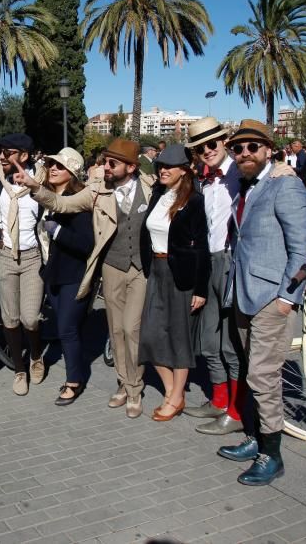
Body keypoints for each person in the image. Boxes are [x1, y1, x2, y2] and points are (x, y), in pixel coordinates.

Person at [16, 137, 154, 419]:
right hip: (112, 267)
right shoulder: (97, 191)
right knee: (116, 330)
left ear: (130, 167)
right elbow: (62, 203)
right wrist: (35, 188)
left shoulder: (151, 188)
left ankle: (134, 388)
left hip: (141, 269)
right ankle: (122, 383)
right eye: (104, 161)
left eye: (111, 163)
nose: (104, 166)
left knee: (132, 329)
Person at [216, 120, 306, 487]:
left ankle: (272, 455)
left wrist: (288, 297)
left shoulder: (285, 185)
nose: (244, 154)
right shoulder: (244, 183)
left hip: (273, 296)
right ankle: (256, 437)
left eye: (252, 147)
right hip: (243, 292)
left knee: (262, 374)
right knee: (250, 370)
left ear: (268, 150)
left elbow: (303, 248)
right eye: (238, 148)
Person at [138, 142, 210, 422]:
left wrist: (201, 288)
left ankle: (177, 395)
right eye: (160, 165)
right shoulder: (158, 193)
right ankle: (172, 391)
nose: (163, 170)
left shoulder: (194, 201)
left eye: (169, 166)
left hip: (181, 273)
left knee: (179, 336)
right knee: (151, 335)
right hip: (155, 269)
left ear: (184, 170)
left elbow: (202, 246)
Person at [184, 118, 245, 435]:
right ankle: (219, 399)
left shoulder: (240, 172)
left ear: (224, 141)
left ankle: (236, 412)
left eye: (213, 143)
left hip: (231, 262)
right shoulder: (203, 179)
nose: (207, 150)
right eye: (200, 147)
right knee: (209, 339)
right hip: (206, 261)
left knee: (231, 342)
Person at [0, 133, 47, 396]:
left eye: (7, 152)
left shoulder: (41, 180)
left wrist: (36, 187)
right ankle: (19, 369)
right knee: (10, 318)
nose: (1, 156)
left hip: (32, 256)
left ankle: (35, 355)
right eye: (0, 152)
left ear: (23, 156)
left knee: (30, 318)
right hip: (5, 255)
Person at [37, 148, 94, 406]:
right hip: (52, 273)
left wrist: (57, 231)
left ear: (72, 172)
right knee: (65, 328)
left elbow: (86, 244)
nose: (53, 168)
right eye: (51, 163)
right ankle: (77, 371)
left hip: (74, 274)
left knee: (67, 329)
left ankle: (74, 380)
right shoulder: (46, 197)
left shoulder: (79, 200)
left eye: (59, 166)